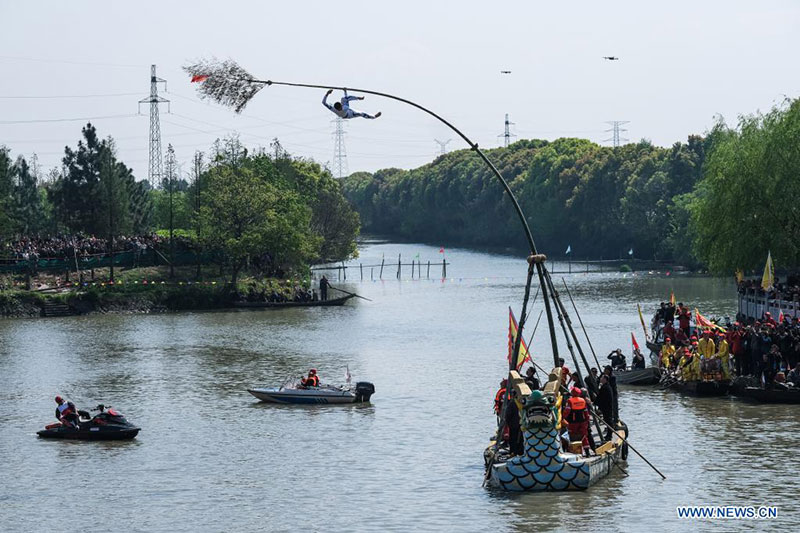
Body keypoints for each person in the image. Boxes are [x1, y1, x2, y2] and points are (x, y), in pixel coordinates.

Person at [563, 387, 591, 456]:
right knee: (584, 436)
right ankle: (587, 452)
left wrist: (563, 417)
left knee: (572, 436)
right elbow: (586, 412)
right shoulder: (583, 400)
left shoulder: (570, 401)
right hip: (583, 422)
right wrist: (587, 420)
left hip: (573, 422)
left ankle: (574, 452)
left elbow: (567, 411)